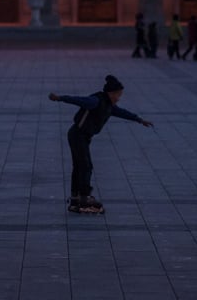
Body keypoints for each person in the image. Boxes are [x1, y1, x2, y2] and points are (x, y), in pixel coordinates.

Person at [49, 75, 153, 214]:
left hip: (83, 136)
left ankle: (75, 198)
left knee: (80, 166)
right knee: (85, 165)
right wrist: (60, 98)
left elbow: (122, 112)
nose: (119, 98)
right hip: (77, 135)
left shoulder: (109, 105)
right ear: (111, 93)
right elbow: (79, 100)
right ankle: (84, 199)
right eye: (118, 95)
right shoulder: (96, 101)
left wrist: (139, 119)